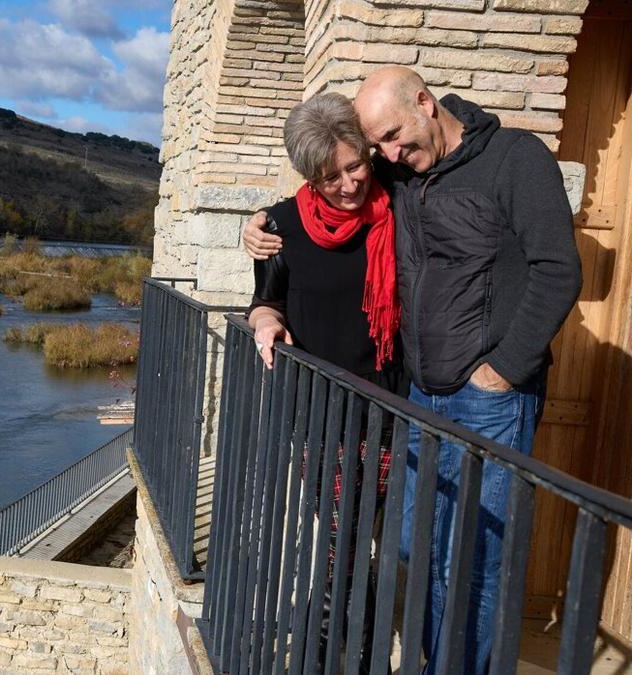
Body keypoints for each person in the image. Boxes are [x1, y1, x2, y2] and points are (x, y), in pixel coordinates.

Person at [244, 67, 582, 675]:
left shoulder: (515, 160)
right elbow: (311, 205)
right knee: (417, 546)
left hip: (490, 399)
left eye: (394, 139)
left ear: (427, 103)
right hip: (421, 396)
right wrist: (256, 227)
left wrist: (503, 370)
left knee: (475, 557)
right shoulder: (406, 174)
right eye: (381, 148)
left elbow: (558, 269)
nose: (387, 158)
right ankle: (429, 659)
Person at [247, 91, 407, 674]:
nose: (347, 184)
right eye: (329, 176)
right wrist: (265, 326)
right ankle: (346, 654)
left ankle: (327, 652)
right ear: (308, 177)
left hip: (390, 412)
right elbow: (266, 302)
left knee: (362, 540)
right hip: (318, 417)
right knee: (346, 537)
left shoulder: (399, 203)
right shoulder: (280, 227)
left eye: (355, 166)